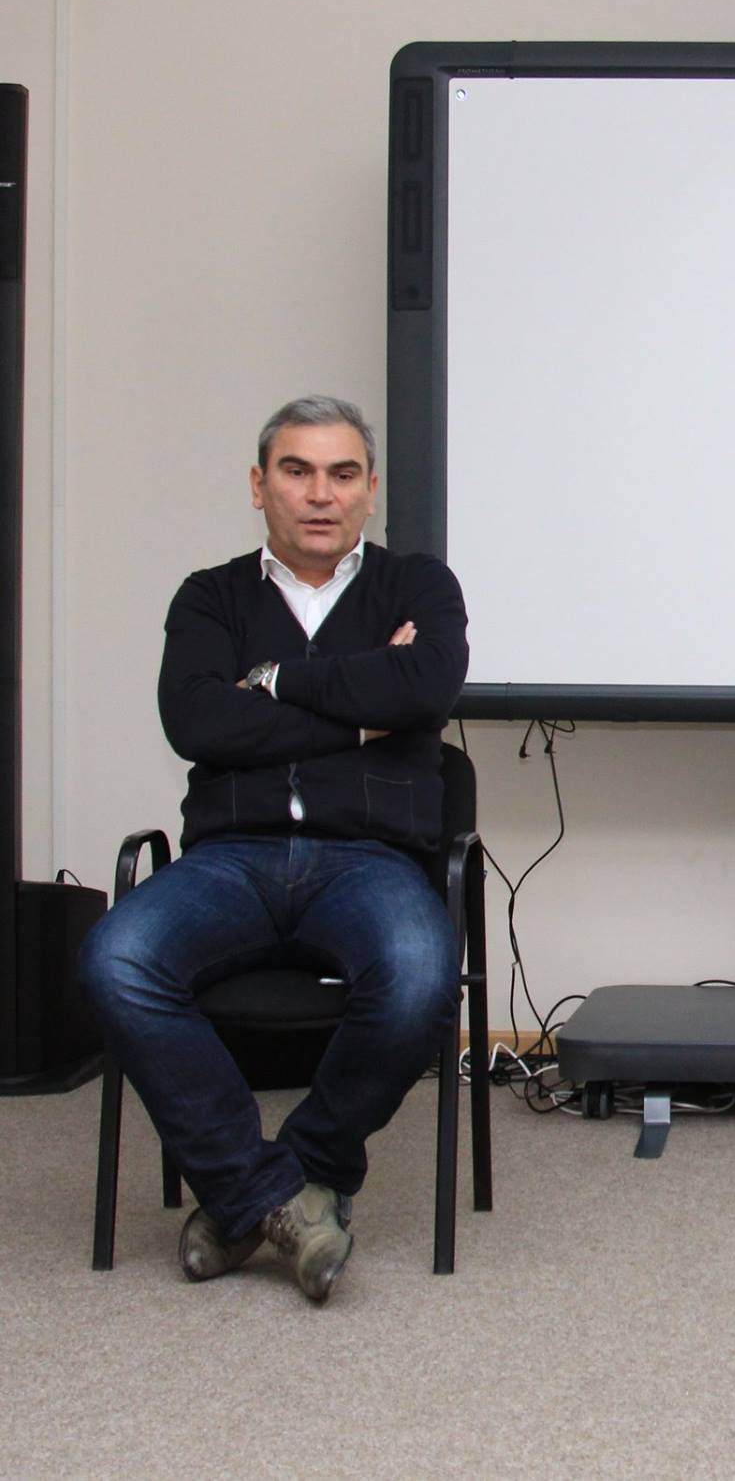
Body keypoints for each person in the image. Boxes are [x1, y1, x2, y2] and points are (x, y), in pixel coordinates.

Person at [78, 395, 469, 1303]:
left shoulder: (419, 587)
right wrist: (360, 714)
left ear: (370, 490)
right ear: (260, 487)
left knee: (419, 975)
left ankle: (291, 1174)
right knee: (115, 958)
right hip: (232, 857)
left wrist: (272, 683)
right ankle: (270, 1197)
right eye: (297, 472)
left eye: (342, 474)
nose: (320, 494)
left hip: (370, 859)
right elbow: (196, 722)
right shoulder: (210, 596)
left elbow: (423, 690)